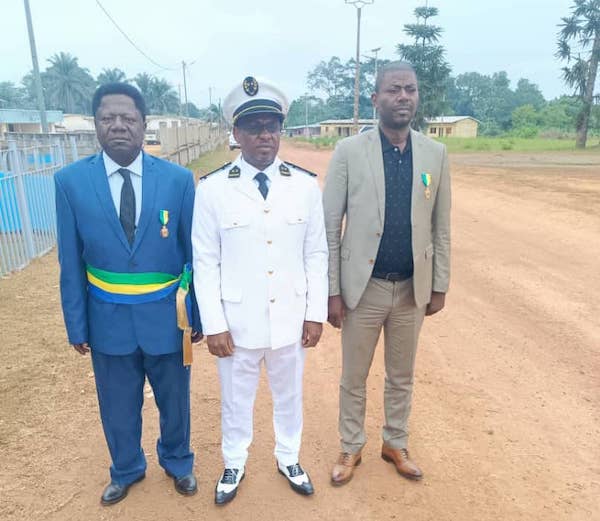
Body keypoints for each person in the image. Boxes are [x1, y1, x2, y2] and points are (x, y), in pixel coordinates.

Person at [55, 82, 201, 506]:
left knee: (175, 400)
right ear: (95, 124)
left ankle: (178, 461)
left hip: (167, 316)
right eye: (108, 118)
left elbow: (194, 254)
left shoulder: (177, 180)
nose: (118, 125)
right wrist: (77, 325)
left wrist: (197, 314)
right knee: (117, 404)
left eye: (128, 118)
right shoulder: (70, 182)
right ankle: (126, 468)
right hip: (107, 318)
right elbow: (70, 260)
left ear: (143, 123)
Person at [192, 76, 328, 505]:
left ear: (280, 130)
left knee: (290, 396)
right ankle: (234, 462)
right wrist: (214, 324)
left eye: (272, 126)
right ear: (236, 132)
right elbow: (205, 262)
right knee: (236, 400)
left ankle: (289, 457)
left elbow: (316, 254)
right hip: (237, 322)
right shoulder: (212, 189)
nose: (264, 135)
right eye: (253, 127)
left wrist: (315, 313)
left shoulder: (304, 186)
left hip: (290, 316)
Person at [323, 61, 451, 486]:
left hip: (411, 288)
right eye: (394, 90)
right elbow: (330, 225)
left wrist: (439, 284)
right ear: (376, 99)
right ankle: (351, 445)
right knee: (353, 376)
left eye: (410, 89)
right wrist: (332, 290)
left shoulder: (435, 154)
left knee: (402, 375)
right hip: (364, 289)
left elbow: (441, 226)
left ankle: (395, 441)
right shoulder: (349, 152)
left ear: (417, 97)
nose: (403, 97)